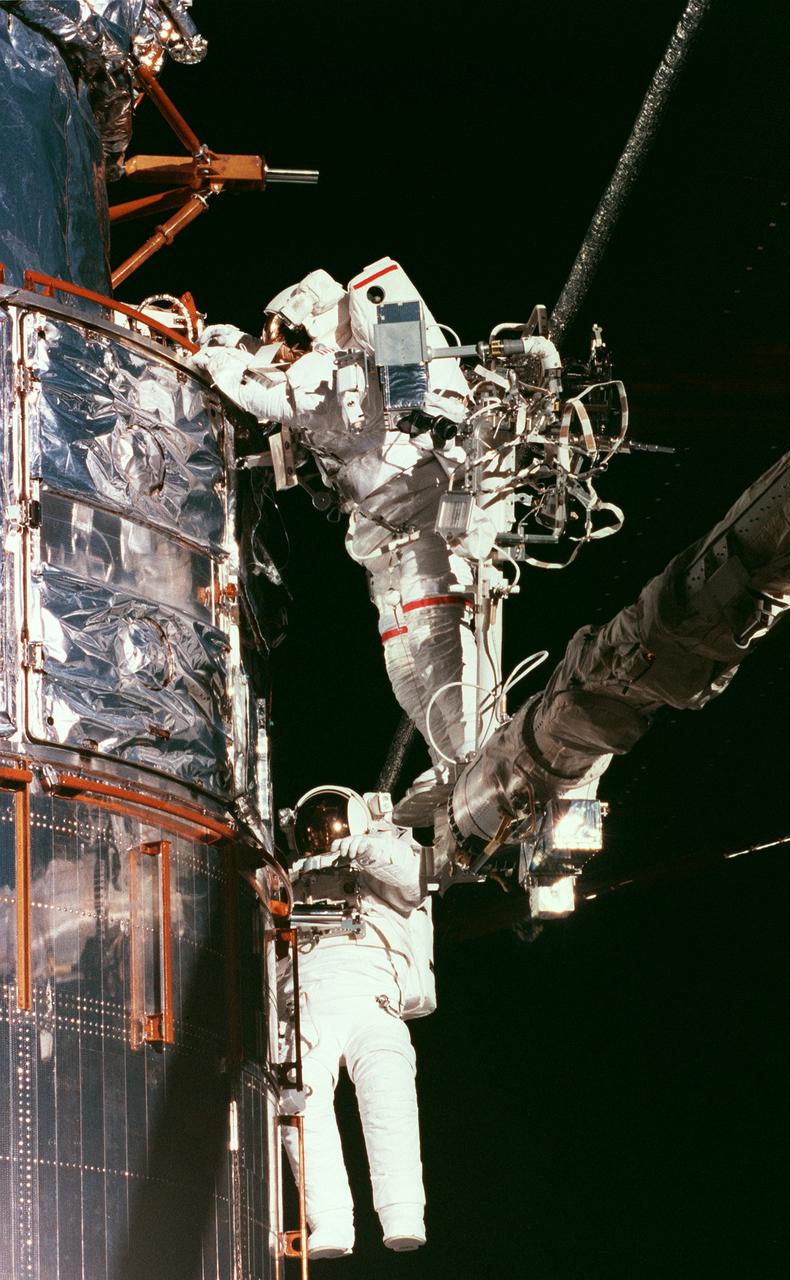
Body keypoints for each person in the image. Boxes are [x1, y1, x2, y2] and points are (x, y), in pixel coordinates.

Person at [193, 262, 498, 802]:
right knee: (407, 668)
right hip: (389, 535)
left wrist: (210, 355)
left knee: (435, 652)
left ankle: (475, 761)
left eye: (281, 340)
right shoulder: (332, 368)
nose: (279, 351)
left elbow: (272, 395)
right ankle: (453, 768)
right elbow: (280, 387)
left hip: (425, 524)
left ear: (306, 323)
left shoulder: (331, 370)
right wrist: (231, 340)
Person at [278, 786, 435, 1258]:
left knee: (388, 1095)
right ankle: (329, 1221)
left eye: (332, 820)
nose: (323, 833)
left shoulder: (379, 863)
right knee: (299, 1104)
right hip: (306, 1006)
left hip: (373, 998)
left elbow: (418, 879)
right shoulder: (285, 878)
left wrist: (370, 848)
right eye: (313, 825)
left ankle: (403, 1212)